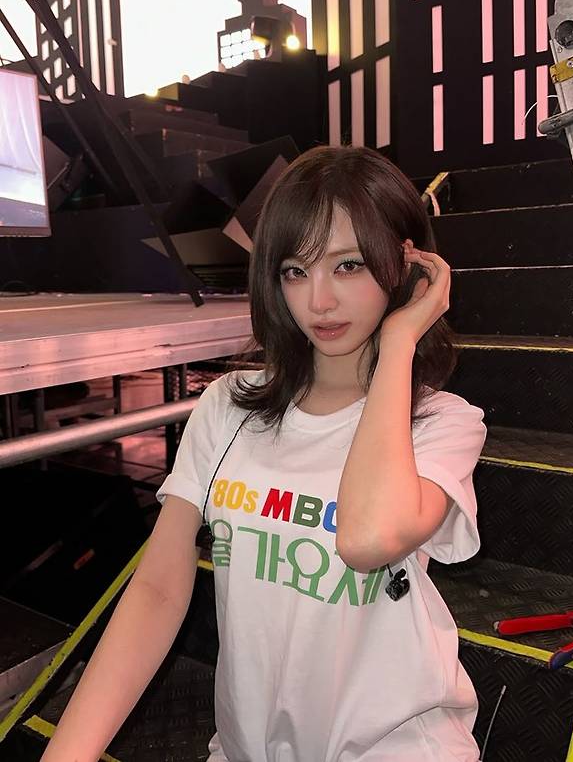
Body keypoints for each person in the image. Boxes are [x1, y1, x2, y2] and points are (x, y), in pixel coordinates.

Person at [40, 145, 487, 762]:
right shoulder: (228, 405)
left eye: (349, 265)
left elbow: (366, 539)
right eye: (295, 271)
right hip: (249, 746)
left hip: (397, 746)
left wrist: (399, 341)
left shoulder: (441, 423)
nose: (318, 301)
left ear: (406, 266)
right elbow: (158, 591)